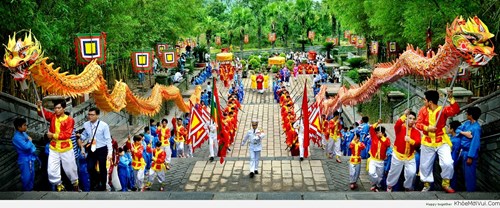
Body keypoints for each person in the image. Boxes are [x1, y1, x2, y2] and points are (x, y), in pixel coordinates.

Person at [416, 90, 460, 193]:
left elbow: (455, 110)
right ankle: (426, 185)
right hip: (427, 141)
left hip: (441, 140)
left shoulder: (442, 110)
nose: (424, 101)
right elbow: (418, 124)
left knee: (448, 163)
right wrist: (427, 128)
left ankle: (446, 183)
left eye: (425, 99)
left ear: (430, 101)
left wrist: (451, 98)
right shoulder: (423, 110)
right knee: (425, 165)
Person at [37, 100, 79, 192]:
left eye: (59, 108)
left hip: (66, 147)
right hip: (54, 147)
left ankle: (75, 183)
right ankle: (59, 185)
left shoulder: (69, 120)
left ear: (64, 108)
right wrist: (39, 107)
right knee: (52, 168)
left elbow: (67, 135)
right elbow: (43, 113)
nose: (56, 110)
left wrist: (53, 135)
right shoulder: (53, 117)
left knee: (70, 168)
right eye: (55, 108)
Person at [77, 107, 112, 191]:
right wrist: (80, 136)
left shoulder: (104, 125)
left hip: (101, 149)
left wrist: (110, 152)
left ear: (97, 115)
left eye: (92, 115)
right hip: (91, 148)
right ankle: (97, 180)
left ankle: (103, 185)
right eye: (89, 114)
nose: (90, 116)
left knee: (102, 168)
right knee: (90, 167)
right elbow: (86, 136)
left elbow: (108, 139)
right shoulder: (86, 124)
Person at [386, 109, 421, 192]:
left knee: (412, 173)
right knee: (394, 172)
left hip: (410, 156)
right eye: (410, 118)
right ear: (406, 119)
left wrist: (410, 140)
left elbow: (418, 143)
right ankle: (389, 186)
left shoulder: (416, 132)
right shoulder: (400, 128)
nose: (412, 120)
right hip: (398, 155)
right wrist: (404, 114)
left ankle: (407, 187)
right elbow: (397, 124)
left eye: (413, 119)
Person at [456, 107, 482, 192]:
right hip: (463, 151)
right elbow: (458, 129)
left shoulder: (476, 128)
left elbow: (475, 143)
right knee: (464, 173)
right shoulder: (467, 123)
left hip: (469, 152)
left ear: (471, 115)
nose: (466, 115)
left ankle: (470, 192)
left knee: (469, 174)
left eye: (467, 114)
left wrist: (470, 157)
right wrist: (465, 133)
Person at [12, 117, 37, 191]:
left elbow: (29, 143)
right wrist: (30, 140)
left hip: (29, 157)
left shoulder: (23, 133)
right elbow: (26, 147)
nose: (26, 127)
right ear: (19, 127)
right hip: (24, 159)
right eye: (24, 125)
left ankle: (30, 190)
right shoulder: (16, 137)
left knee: (32, 175)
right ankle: (26, 193)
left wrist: (29, 141)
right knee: (26, 177)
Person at [367, 119, 391, 192]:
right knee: (372, 173)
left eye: (380, 133)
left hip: (381, 161)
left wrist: (382, 137)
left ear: (383, 133)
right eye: (377, 132)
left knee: (380, 176)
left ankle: (376, 186)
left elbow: (388, 144)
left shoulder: (386, 140)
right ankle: (374, 184)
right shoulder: (374, 137)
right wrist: (377, 123)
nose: (378, 134)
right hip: (373, 160)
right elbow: (371, 128)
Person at [448, 120, 462, 190]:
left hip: (453, 158)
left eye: (449, 127)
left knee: (453, 174)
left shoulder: (456, 140)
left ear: (452, 129)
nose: (448, 128)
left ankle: (453, 187)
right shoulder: (451, 137)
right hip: (450, 157)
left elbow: (455, 152)